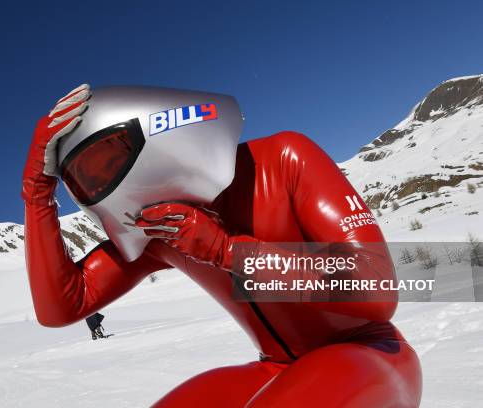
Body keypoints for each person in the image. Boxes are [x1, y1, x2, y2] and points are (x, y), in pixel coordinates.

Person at [22, 84, 422, 407]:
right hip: (276, 368)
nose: (98, 190)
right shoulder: (160, 231)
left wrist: (225, 249)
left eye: (106, 164)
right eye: (82, 182)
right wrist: (38, 193)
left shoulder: (284, 158)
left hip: (370, 352)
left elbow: (377, 289)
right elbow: (63, 307)